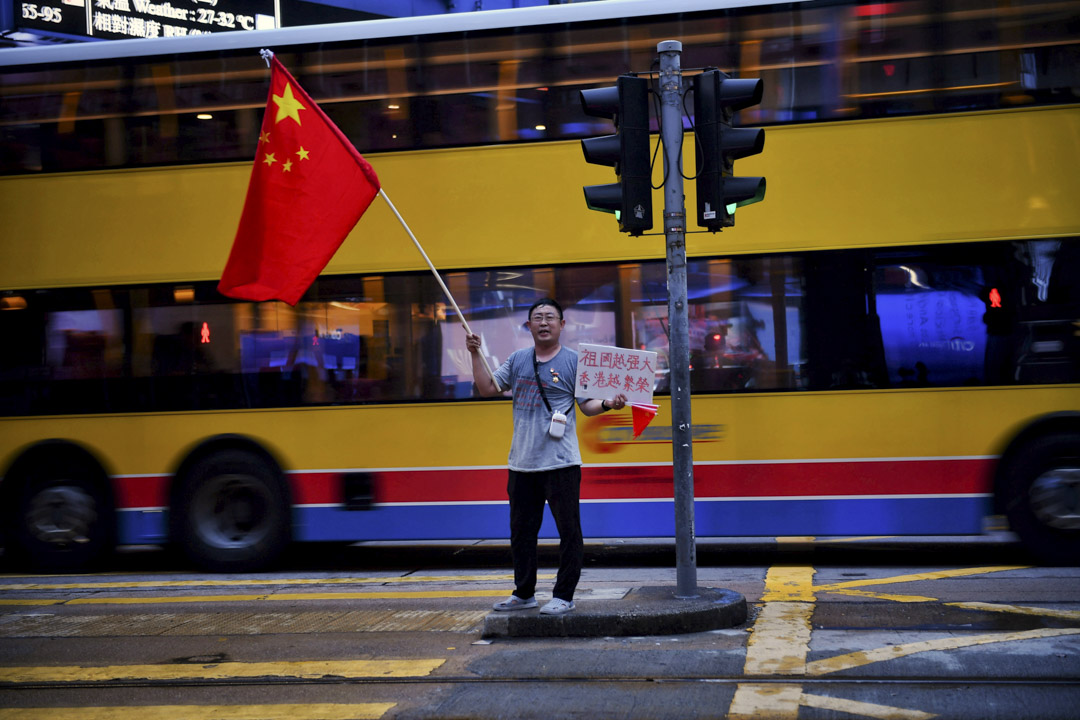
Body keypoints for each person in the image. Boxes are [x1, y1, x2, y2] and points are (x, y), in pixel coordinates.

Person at [466, 298, 626, 615]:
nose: (543, 322)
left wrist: (609, 403)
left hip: (561, 463)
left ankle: (563, 595)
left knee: (569, 532)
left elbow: (587, 406)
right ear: (529, 326)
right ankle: (524, 593)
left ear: (562, 325)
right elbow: (487, 388)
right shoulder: (517, 360)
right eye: (537, 317)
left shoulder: (574, 362)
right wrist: (474, 352)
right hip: (521, 463)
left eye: (550, 317)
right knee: (522, 534)